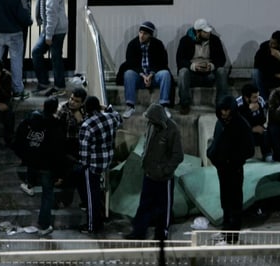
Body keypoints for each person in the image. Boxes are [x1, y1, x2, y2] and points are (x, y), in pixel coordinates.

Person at [125, 103, 184, 240]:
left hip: (164, 178)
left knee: (164, 208)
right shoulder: (151, 125)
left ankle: (161, 233)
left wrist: (164, 170)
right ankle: (139, 232)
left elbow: (178, 155)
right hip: (149, 174)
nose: (149, 121)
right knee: (144, 205)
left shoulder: (172, 130)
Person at [13, 97, 65, 236]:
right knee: (47, 195)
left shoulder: (30, 120)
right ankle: (44, 225)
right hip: (46, 165)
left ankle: (30, 184)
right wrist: (60, 173)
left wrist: (24, 156)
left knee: (44, 190)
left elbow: (19, 139)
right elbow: (58, 151)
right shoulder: (55, 125)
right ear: (55, 109)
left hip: (32, 161)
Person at [206, 95, 254, 244]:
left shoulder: (242, 125)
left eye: (227, 110)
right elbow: (216, 142)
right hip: (222, 169)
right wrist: (214, 157)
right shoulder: (220, 124)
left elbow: (249, 150)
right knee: (225, 202)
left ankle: (233, 238)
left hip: (234, 169)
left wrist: (234, 161)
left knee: (235, 204)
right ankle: (226, 232)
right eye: (222, 110)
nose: (224, 114)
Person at [21, 0, 69, 96]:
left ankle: (58, 86)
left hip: (56, 30)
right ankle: (45, 83)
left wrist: (48, 36)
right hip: (52, 28)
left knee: (54, 57)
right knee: (41, 53)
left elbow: (52, 16)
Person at [78, 96, 122, 234]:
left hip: (93, 164)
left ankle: (92, 226)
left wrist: (84, 165)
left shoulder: (86, 126)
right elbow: (119, 117)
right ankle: (100, 218)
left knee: (92, 196)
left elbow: (84, 152)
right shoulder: (110, 118)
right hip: (107, 159)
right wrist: (105, 109)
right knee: (98, 193)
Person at [118, 21, 172, 119]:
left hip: (154, 76)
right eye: (140, 32)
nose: (142, 36)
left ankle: (164, 106)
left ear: (150, 36)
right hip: (139, 76)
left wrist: (151, 74)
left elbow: (162, 63)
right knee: (128, 73)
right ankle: (130, 106)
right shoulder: (132, 44)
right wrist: (143, 75)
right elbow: (130, 63)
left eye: (145, 34)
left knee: (165, 74)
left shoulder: (158, 44)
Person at [176, 18, 229, 115]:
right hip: (192, 74)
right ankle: (184, 104)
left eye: (208, 32)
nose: (208, 34)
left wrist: (211, 66)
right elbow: (180, 60)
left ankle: (221, 104)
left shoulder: (214, 40)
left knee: (221, 71)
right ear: (198, 32)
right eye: (205, 32)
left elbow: (222, 59)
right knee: (183, 72)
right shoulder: (185, 40)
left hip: (209, 74)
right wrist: (193, 66)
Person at [55, 87, 89, 208]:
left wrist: (80, 120)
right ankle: (63, 199)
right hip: (64, 144)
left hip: (79, 145)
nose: (72, 102)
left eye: (76, 101)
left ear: (82, 102)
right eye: (71, 99)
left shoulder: (84, 111)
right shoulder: (63, 109)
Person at [235, 83, 270, 161]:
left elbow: (263, 119)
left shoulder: (260, 100)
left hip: (257, 128)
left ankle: (267, 155)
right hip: (243, 131)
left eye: (257, 96)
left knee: (265, 132)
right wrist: (249, 111)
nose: (257, 99)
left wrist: (259, 109)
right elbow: (237, 124)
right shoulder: (237, 104)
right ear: (246, 98)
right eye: (254, 97)